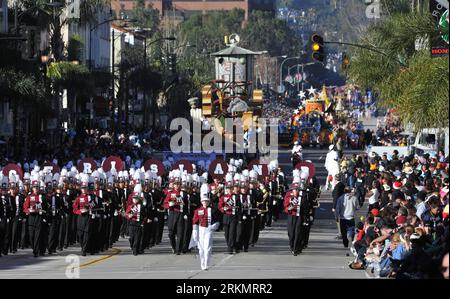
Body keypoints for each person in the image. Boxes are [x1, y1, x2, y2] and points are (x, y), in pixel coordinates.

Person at [190, 183, 220, 271]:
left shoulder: (212, 210)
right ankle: (202, 263)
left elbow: (218, 221)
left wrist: (215, 226)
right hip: (200, 230)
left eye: (206, 201)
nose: (205, 202)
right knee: (201, 249)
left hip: (208, 230)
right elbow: (195, 221)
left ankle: (206, 263)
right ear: (201, 201)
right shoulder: (197, 211)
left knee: (207, 248)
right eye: (203, 201)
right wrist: (195, 231)